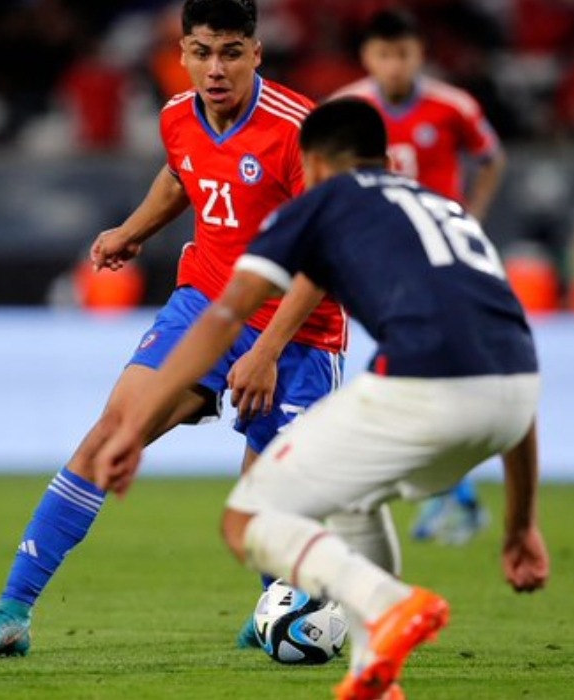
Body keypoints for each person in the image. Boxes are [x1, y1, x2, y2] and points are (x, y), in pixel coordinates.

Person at [89, 98, 548, 700]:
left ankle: (388, 603)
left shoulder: (324, 201)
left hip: (424, 385)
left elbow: (226, 312)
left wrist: (135, 425)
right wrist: (521, 527)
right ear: (387, 159)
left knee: (249, 518)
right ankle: (375, 673)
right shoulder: (445, 210)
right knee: (353, 505)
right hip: (516, 396)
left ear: (312, 163)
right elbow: (510, 365)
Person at [0, 0, 349, 659]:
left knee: (262, 512)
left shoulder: (300, 131)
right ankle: (11, 611)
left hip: (299, 332)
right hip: (205, 309)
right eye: (200, 51)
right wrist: (132, 232)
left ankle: (282, 602)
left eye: (229, 52)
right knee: (109, 435)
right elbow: (179, 174)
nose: (213, 68)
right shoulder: (175, 115)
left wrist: (269, 348)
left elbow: (328, 255)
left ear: (256, 53)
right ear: (182, 53)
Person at [333, 9, 507, 545]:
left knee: (408, 366)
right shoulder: (345, 107)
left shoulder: (452, 107)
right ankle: (454, 496)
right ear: (368, 57)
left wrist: (470, 215)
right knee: (418, 369)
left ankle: (448, 495)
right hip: (381, 256)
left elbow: (492, 158)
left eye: (402, 54)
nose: (393, 65)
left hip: (439, 256)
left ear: (419, 55)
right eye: (383, 54)